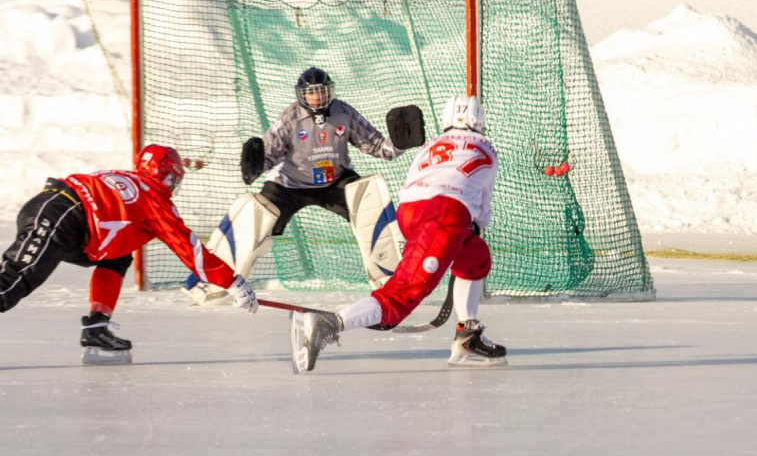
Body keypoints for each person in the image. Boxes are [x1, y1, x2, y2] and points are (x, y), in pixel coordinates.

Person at [291, 94, 507, 372]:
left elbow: (413, 183)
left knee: (476, 256)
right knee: (403, 295)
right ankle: (329, 323)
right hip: (443, 216)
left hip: (410, 211)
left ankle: (468, 334)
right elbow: (483, 206)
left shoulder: (432, 145)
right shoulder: (486, 147)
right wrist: (472, 222)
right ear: (480, 120)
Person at [0, 144, 259, 364]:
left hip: (64, 216)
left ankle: (96, 326)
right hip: (62, 216)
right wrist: (232, 281)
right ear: (167, 177)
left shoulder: (127, 179)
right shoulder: (154, 198)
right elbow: (189, 249)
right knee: (14, 282)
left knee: (118, 255)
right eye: (173, 180)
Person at [182, 66, 415, 301]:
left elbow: (376, 146)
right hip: (290, 185)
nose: (317, 98)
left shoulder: (343, 112)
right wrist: (255, 164)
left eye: (322, 92)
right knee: (251, 213)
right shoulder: (290, 117)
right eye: (311, 93)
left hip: (335, 181)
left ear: (330, 92)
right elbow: (270, 154)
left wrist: (399, 143)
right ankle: (208, 282)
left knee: (370, 200)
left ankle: (394, 280)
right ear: (301, 95)